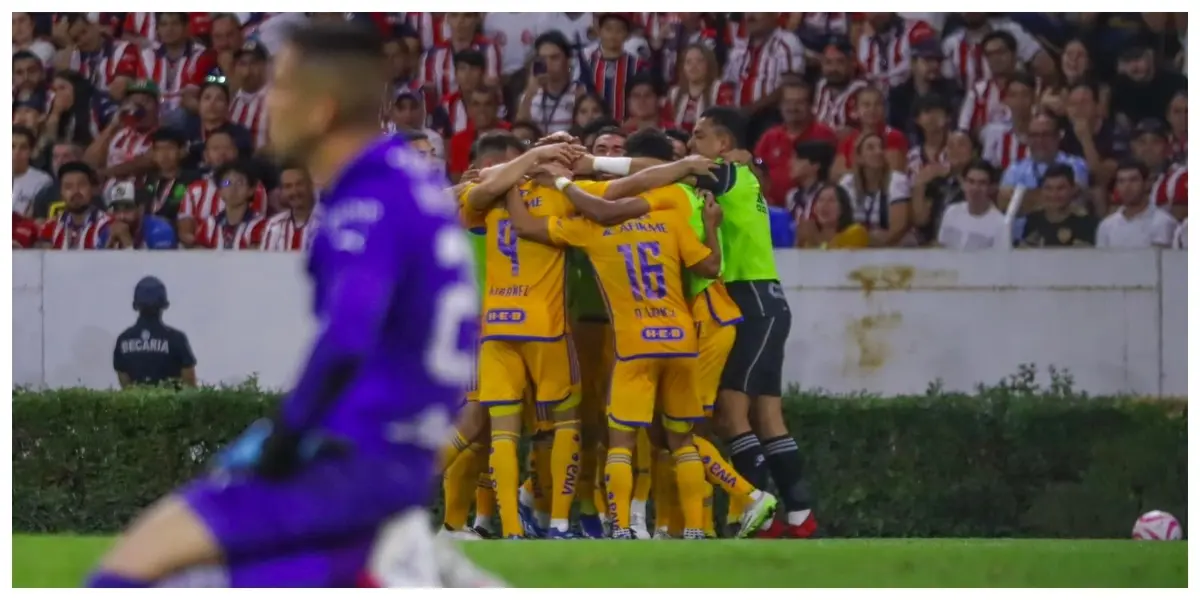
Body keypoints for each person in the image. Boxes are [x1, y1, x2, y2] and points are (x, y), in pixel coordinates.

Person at [85, 21, 486, 588]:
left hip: (350, 454)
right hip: (400, 457)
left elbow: (348, 336)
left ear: (320, 111)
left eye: (281, 86)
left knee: (130, 568)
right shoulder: (407, 182)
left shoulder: (363, 205)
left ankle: (392, 562)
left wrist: (283, 438)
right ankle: (379, 565)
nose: (265, 101)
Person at [500, 153, 776, 541]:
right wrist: (712, 227)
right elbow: (711, 267)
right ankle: (696, 529)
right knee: (682, 439)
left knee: (622, 443)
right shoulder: (669, 219)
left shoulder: (589, 228)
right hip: (681, 341)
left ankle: (625, 527)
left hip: (634, 347)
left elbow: (526, 226)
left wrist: (513, 186)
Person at [689, 106, 817, 538]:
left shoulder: (727, 173)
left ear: (723, 145)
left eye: (699, 136)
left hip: (753, 299)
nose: (692, 146)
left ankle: (754, 513)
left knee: (730, 410)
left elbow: (668, 171)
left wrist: (599, 165)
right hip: (763, 300)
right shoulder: (741, 173)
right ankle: (799, 517)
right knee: (766, 416)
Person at [112, 276, 197, 388]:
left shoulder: (123, 339)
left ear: (135, 305)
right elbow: (190, 387)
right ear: (165, 305)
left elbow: (126, 388)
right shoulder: (177, 339)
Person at [936, 160, 1008, 250]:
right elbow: (941, 246)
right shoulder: (951, 212)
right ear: (963, 184)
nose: (975, 188)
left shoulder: (1000, 224)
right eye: (971, 181)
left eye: (982, 183)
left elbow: (1001, 260)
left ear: (991, 188)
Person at [799, 185, 870, 249]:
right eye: (821, 200)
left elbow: (836, 259)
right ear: (814, 209)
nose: (824, 205)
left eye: (831, 200)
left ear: (842, 208)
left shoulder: (856, 233)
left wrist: (816, 241)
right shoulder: (809, 239)